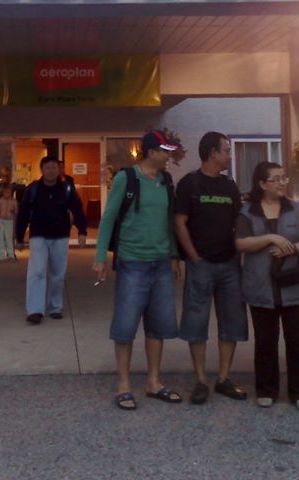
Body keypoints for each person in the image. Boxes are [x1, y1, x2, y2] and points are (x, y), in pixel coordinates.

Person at [93, 130, 183, 411]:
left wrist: (174, 254)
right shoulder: (127, 178)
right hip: (132, 262)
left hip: (161, 263)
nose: (168, 157)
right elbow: (108, 218)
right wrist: (100, 257)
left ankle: (153, 381)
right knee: (125, 326)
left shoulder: (166, 181)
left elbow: (168, 220)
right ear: (151, 152)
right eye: (165, 152)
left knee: (157, 326)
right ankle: (123, 385)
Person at [173, 131, 249, 405]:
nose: (229, 155)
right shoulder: (189, 183)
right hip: (201, 265)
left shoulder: (229, 186)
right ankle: (201, 380)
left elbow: (239, 221)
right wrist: (192, 256)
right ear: (212, 153)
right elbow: (179, 221)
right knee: (196, 322)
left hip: (229, 264)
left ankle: (223, 378)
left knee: (231, 322)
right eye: (226, 150)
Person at [236, 161, 299, 409]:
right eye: (277, 179)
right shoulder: (247, 212)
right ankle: (266, 389)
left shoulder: (298, 209)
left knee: (298, 341)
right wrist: (270, 238)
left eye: (284, 178)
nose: (283, 183)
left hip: (296, 286)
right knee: (265, 342)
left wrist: (290, 249)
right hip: (261, 287)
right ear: (262, 184)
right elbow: (241, 243)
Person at [15, 156, 88, 323]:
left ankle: (55, 307)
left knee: (58, 273)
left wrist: (82, 231)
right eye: (47, 167)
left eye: (54, 167)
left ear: (59, 170)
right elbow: (24, 213)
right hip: (38, 236)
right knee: (37, 272)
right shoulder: (33, 189)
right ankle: (34, 310)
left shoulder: (67, 189)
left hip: (60, 236)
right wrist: (19, 236)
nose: (51, 171)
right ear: (42, 170)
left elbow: (77, 209)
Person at [0, 183, 18, 261]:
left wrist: (14, 211)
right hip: (1, 220)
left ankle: (11, 255)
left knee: (9, 239)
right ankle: (0, 255)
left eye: (9, 192)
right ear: (3, 192)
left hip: (10, 221)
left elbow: (16, 211)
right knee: (0, 238)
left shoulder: (14, 201)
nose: (7, 194)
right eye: (5, 192)